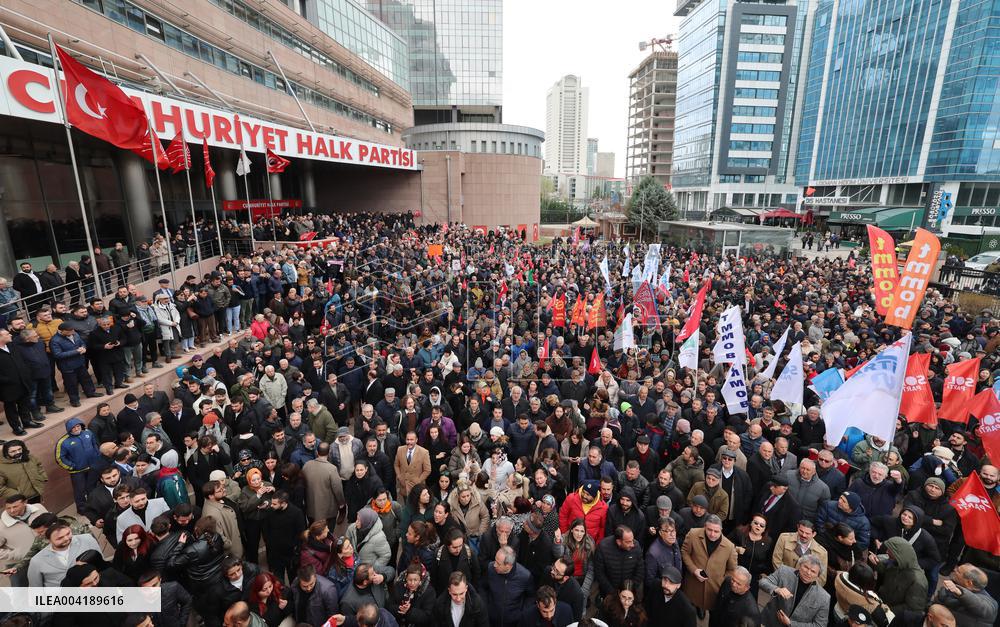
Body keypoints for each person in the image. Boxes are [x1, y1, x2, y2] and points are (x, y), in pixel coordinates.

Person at [680, 514, 737, 613]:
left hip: (714, 591)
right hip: (693, 587)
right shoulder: (693, 534)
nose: (712, 534)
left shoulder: (730, 547)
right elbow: (685, 552)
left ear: (721, 530)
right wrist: (694, 570)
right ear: (704, 527)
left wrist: (720, 581)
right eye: (709, 530)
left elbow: (732, 569)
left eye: (716, 531)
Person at [758, 554, 830, 627]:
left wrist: (791, 624)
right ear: (799, 565)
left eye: (813, 571)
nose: (808, 573)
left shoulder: (824, 597)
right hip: (768, 622)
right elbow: (763, 582)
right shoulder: (784, 571)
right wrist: (777, 589)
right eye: (806, 567)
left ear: (818, 575)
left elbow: (820, 625)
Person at [27, 521, 101, 586]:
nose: (66, 538)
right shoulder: (36, 561)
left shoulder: (87, 539)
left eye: (68, 533)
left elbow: (103, 566)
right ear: (48, 540)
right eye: (60, 538)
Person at [0, 327, 41, 436]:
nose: (10, 335)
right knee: (11, 408)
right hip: (7, 387)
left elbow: (22, 361)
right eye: (7, 334)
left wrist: (26, 373)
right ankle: (16, 427)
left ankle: (27, 422)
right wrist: (7, 380)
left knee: (24, 404)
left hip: (22, 382)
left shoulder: (11, 346)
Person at [55, 417, 100, 510]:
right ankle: (82, 509)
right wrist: (72, 467)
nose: (76, 429)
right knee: (80, 491)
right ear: (69, 429)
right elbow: (59, 458)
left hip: (92, 467)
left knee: (93, 487)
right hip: (78, 472)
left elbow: (95, 444)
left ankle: (94, 505)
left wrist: (97, 457)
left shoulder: (88, 433)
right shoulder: (63, 442)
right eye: (73, 427)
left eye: (78, 426)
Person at [483, 546, 534, 627]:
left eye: (498, 563)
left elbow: (531, 597)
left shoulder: (525, 576)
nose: (494, 565)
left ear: (509, 566)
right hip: (491, 621)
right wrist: (486, 607)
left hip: (514, 623)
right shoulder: (490, 568)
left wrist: (522, 614)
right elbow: (483, 587)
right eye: (495, 560)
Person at [931, 564, 997, 627]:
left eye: (958, 571)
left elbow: (983, 608)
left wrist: (960, 592)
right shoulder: (952, 585)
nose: (954, 570)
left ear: (968, 582)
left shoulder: (990, 603)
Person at [593, 525, 644, 599]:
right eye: (628, 542)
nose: (632, 544)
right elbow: (599, 573)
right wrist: (612, 593)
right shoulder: (603, 547)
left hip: (629, 593)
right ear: (619, 542)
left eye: (632, 540)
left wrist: (628, 590)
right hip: (608, 594)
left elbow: (640, 570)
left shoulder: (636, 546)